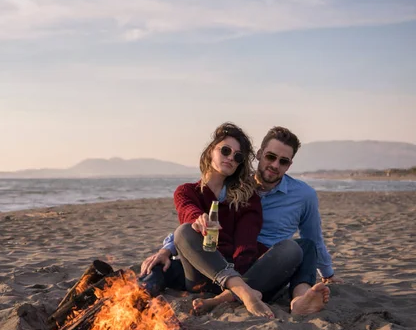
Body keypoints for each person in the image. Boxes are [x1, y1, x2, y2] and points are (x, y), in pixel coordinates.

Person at [140, 126, 338, 316]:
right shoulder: (236, 189)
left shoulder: (299, 195)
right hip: (213, 265)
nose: (275, 165)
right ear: (259, 154)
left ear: (289, 165)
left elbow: (312, 237)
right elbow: (188, 219)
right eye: (271, 157)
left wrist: (327, 273)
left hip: (265, 265)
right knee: (162, 260)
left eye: (283, 161)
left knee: (301, 247)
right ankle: (238, 291)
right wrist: (166, 249)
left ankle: (298, 299)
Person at [163, 122, 274, 318]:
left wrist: (237, 275)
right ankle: (243, 292)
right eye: (225, 150)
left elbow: (245, 242)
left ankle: (229, 294)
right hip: (202, 276)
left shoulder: (246, 197)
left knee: (292, 249)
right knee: (184, 231)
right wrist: (198, 220)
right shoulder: (186, 191)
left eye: (237, 156)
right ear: (210, 152)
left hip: (237, 272)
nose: (231, 157)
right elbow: (187, 210)